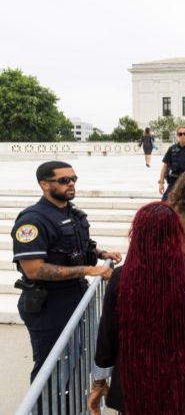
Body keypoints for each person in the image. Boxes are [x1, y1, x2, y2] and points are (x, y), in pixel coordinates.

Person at [88, 202, 185, 414]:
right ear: (176, 232)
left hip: (134, 379)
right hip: (182, 377)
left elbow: (108, 332)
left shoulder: (121, 277)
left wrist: (99, 381)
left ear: (137, 234)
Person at [12, 161, 121, 382]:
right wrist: (90, 270)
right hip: (49, 305)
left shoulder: (71, 212)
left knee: (71, 362)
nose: (71, 184)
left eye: (73, 179)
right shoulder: (32, 220)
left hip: (73, 297)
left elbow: (77, 245)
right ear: (44, 184)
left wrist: (101, 254)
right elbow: (34, 269)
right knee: (51, 370)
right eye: (64, 180)